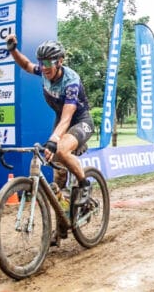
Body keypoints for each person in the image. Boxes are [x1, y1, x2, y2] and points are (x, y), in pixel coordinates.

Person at [5, 35, 94, 207]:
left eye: (48, 63)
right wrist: (13, 50)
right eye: (41, 62)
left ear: (60, 61)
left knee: (59, 150)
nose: (43, 68)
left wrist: (54, 139)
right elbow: (25, 65)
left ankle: (85, 184)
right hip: (61, 121)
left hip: (80, 121)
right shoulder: (44, 71)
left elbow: (68, 116)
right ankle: (63, 221)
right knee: (58, 176)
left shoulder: (71, 81)